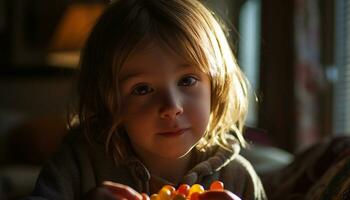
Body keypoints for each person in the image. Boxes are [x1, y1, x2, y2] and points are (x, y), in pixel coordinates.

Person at [24, 0, 266, 199]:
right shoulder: (79, 162)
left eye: (187, 81)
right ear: (108, 100)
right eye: (142, 89)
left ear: (217, 84)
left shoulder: (238, 178)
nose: (172, 107)